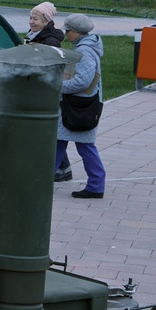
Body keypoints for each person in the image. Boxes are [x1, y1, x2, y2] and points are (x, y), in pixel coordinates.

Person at [58, 13, 105, 199]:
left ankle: (96, 185)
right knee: (59, 143)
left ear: (76, 32)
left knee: (85, 146)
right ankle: (41, 181)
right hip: (80, 105)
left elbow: (83, 82)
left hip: (79, 107)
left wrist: (58, 87)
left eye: (67, 30)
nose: (65, 34)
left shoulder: (85, 51)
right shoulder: (88, 46)